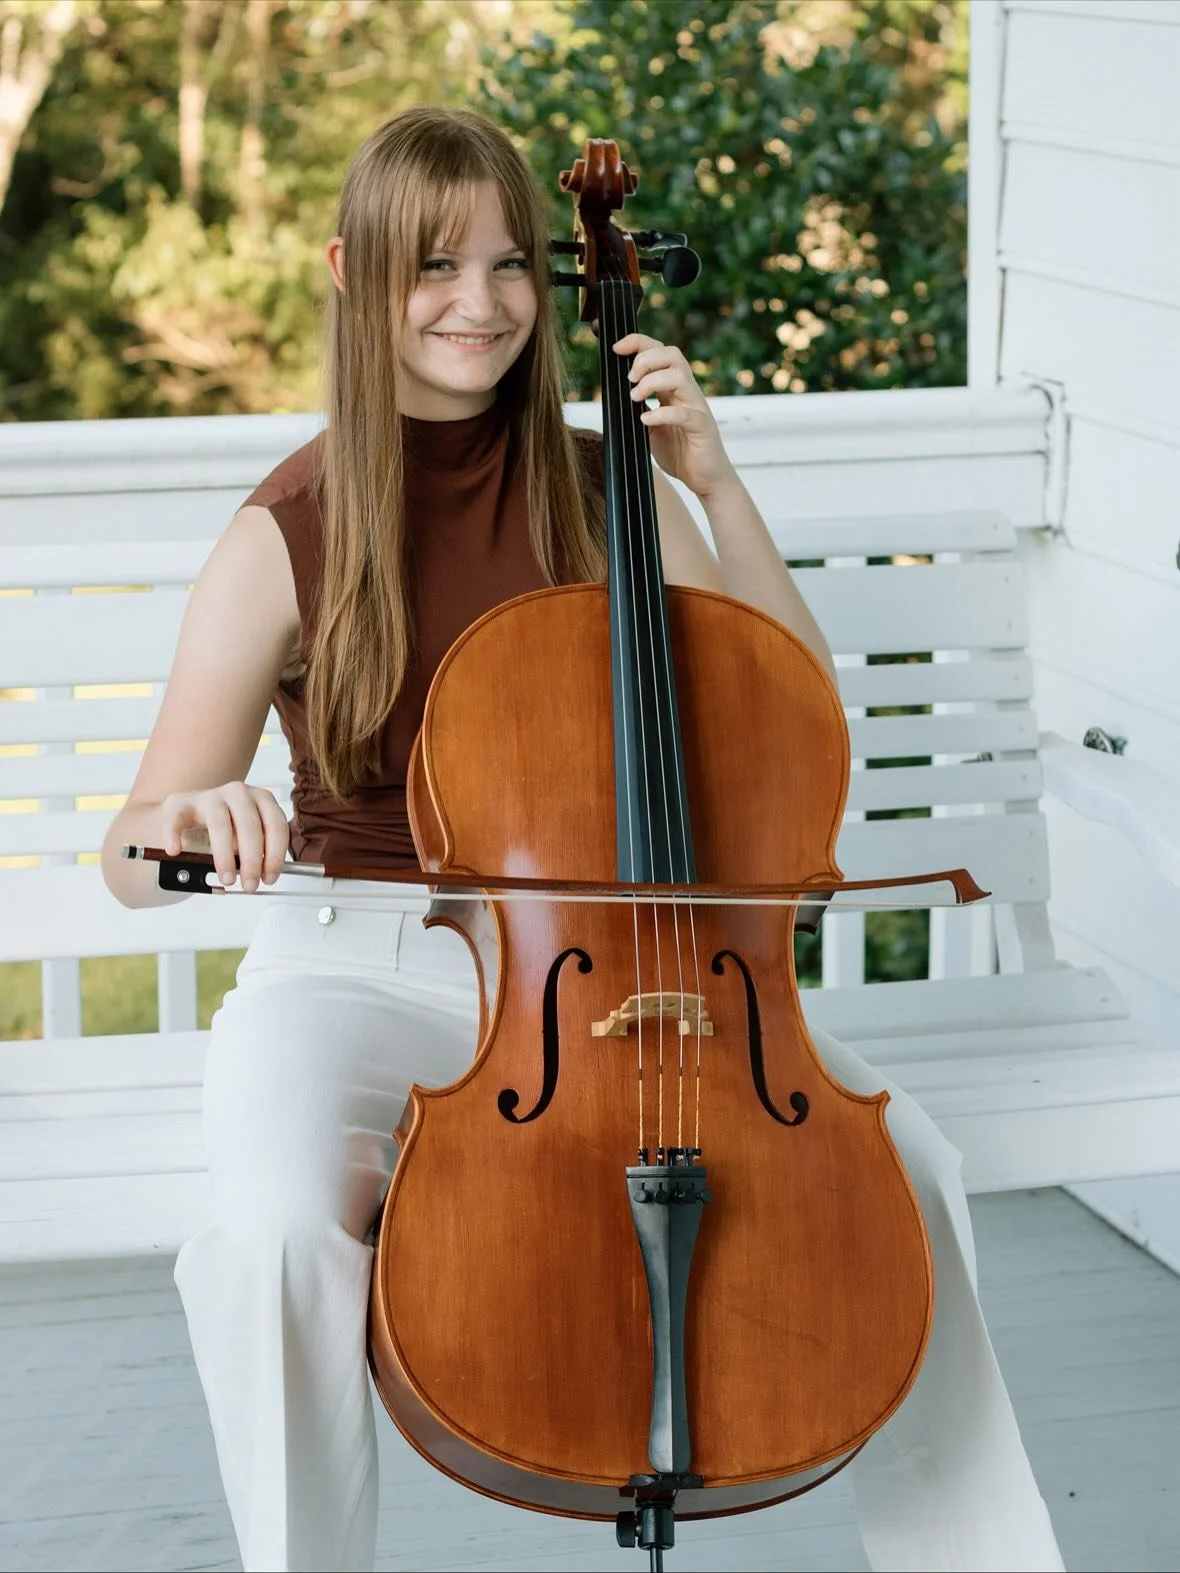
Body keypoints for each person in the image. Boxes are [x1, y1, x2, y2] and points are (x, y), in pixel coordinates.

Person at [100, 107, 1064, 1573]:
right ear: (355, 274)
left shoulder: (610, 489)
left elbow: (792, 722)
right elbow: (131, 852)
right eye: (435, 266)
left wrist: (715, 483)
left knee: (911, 1180)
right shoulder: (286, 530)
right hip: (355, 968)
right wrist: (190, 816)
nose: (480, 304)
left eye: (509, 265)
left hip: (622, 968)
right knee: (275, 1237)